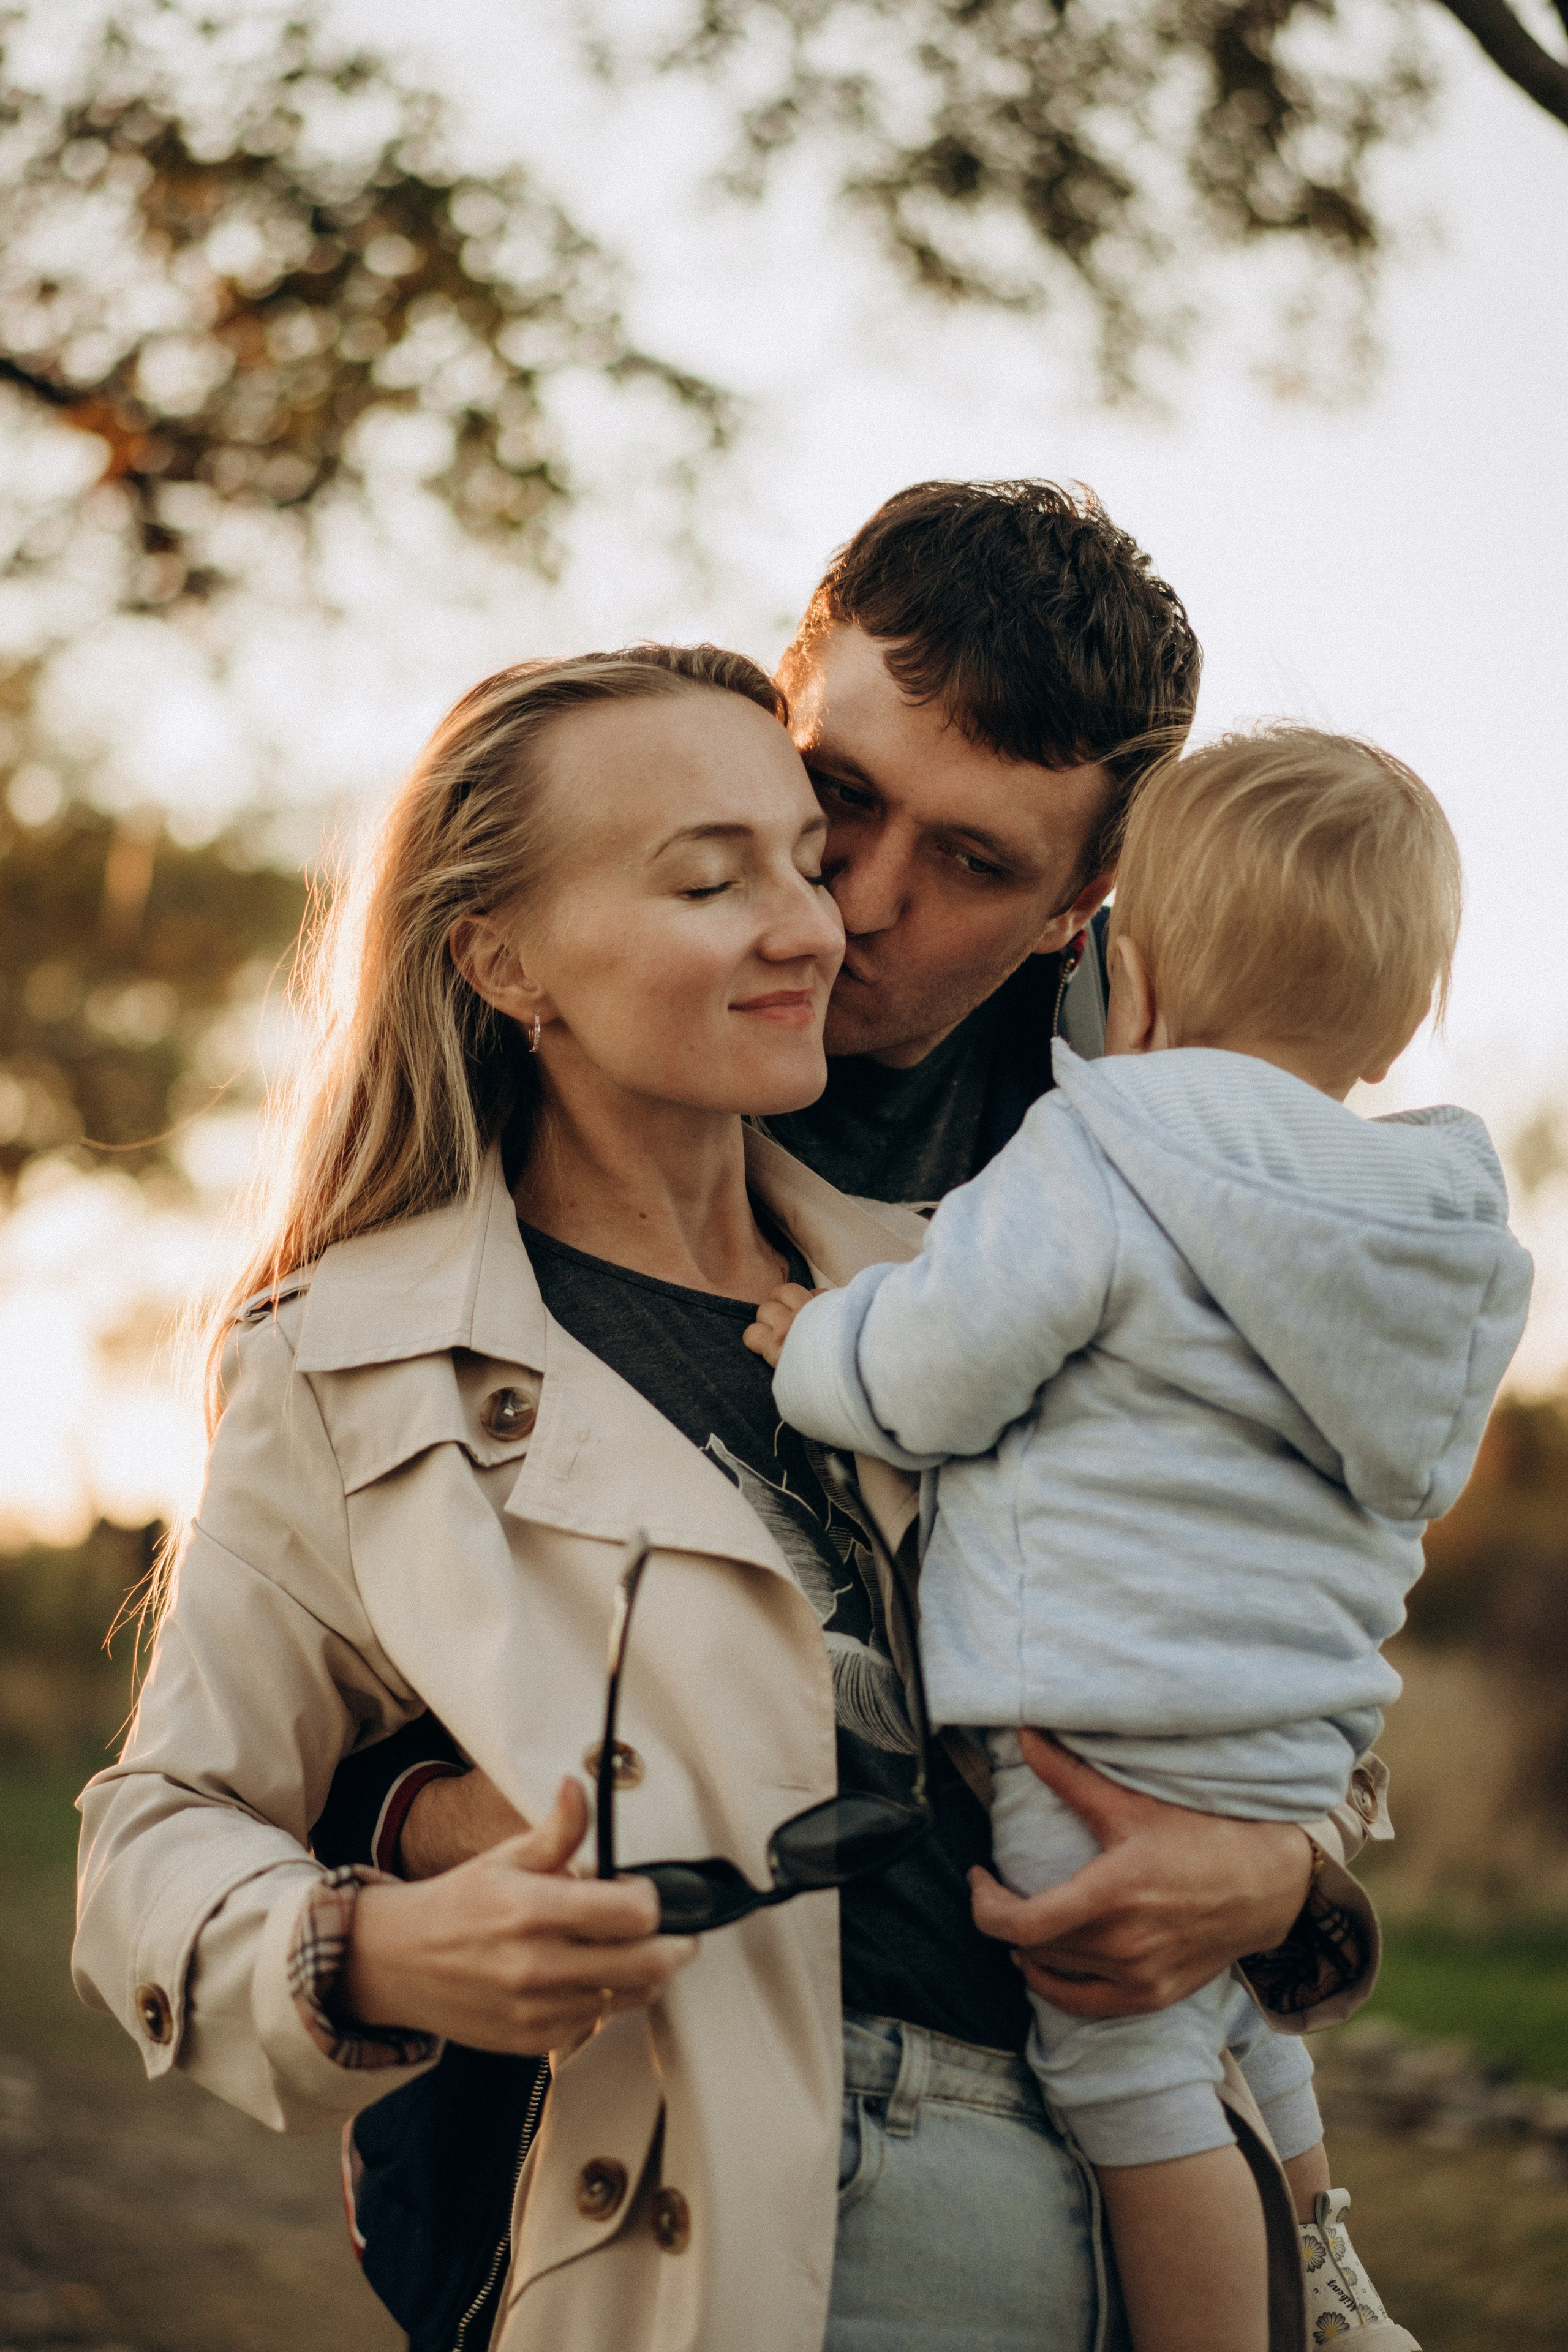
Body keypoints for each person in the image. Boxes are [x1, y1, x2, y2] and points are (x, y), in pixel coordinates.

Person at [318, 484, 1392, 2347]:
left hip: (1073, 2140)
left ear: (1080, 910)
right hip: (602, 2170)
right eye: (841, 797)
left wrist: (1290, 1878)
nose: (857, 903)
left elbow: (1296, 1566)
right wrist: (449, 1822)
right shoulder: (529, 1058)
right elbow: (307, 1661)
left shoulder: (1176, 1146)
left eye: (973, 863)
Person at [751, 728, 1533, 2352]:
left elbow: (932, 1373)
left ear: (1138, 977)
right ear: (1397, 1025)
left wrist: (817, 1343)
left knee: (1126, 2068)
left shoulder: (1102, 1150)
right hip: (1297, 1746)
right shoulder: (1440, 1235)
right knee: (1245, 2026)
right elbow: (1417, 1476)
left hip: (1093, 1711)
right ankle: (1324, 2280)